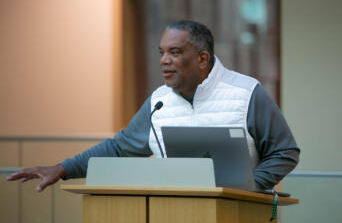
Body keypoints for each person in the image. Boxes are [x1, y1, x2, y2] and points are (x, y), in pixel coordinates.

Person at [6, 20, 300, 192]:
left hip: (241, 217)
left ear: (202, 59)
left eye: (175, 52)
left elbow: (285, 152)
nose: (164, 60)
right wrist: (62, 168)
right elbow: (119, 148)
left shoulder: (247, 92)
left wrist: (245, 189)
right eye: (161, 52)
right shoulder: (159, 101)